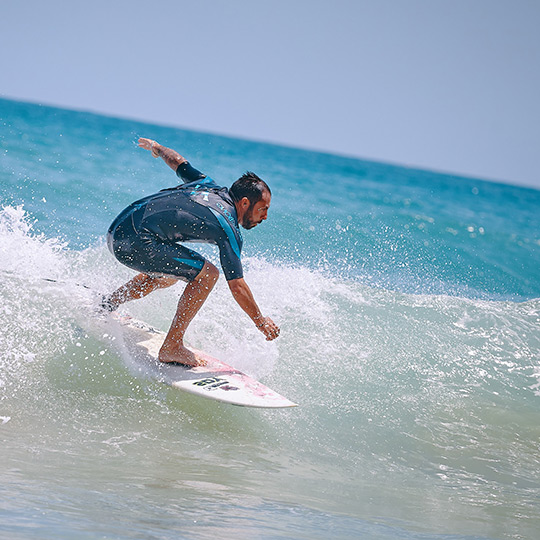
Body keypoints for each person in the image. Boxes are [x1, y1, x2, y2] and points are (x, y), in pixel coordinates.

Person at [102, 137, 280, 367]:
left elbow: (177, 161)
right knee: (208, 275)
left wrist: (157, 148)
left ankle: (109, 303)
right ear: (245, 203)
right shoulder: (228, 227)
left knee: (168, 276)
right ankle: (172, 346)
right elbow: (237, 285)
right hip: (135, 243)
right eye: (263, 209)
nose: (264, 217)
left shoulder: (207, 184)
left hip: (117, 231)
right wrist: (260, 321)